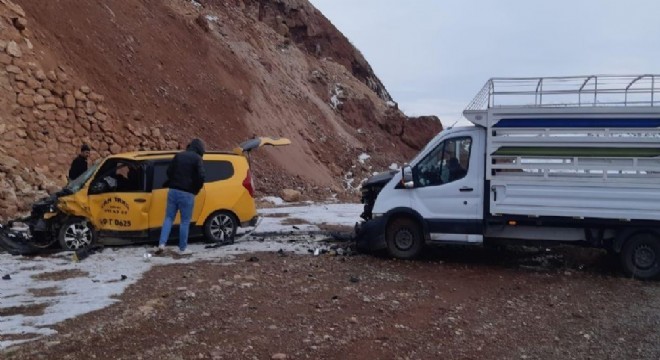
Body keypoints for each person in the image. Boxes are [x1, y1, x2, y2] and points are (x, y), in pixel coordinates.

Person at [156, 139, 206, 255]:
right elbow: (201, 176)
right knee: (185, 221)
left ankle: (162, 244)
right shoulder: (197, 159)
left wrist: (173, 181)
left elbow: (169, 172)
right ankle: (182, 248)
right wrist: (195, 189)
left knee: (168, 218)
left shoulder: (178, 156)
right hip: (187, 193)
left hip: (173, 191)